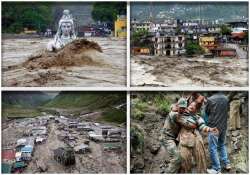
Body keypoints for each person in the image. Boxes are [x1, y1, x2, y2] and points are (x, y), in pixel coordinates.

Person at [176, 101, 219, 173]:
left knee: (200, 156)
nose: (192, 106)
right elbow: (175, 112)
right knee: (184, 159)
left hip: (195, 137)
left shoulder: (197, 118)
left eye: (194, 106)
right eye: (191, 105)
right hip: (184, 138)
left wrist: (211, 129)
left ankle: (202, 171)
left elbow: (202, 126)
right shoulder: (180, 113)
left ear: (196, 110)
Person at [205, 92, 231, 173]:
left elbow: (207, 112)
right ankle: (226, 163)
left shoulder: (210, 99)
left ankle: (216, 168)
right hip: (223, 126)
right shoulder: (226, 98)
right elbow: (228, 110)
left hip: (214, 128)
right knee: (221, 144)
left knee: (213, 148)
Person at [160, 97, 188, 173]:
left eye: (184, 108)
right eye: (181, 108)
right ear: (177, 106)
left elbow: (173, 106)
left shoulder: (177, 111)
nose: (183, 110)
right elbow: (186, 122)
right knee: (177, 158)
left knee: (179, 158)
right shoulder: (174, 114)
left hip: (173, 138)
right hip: (167, 138)